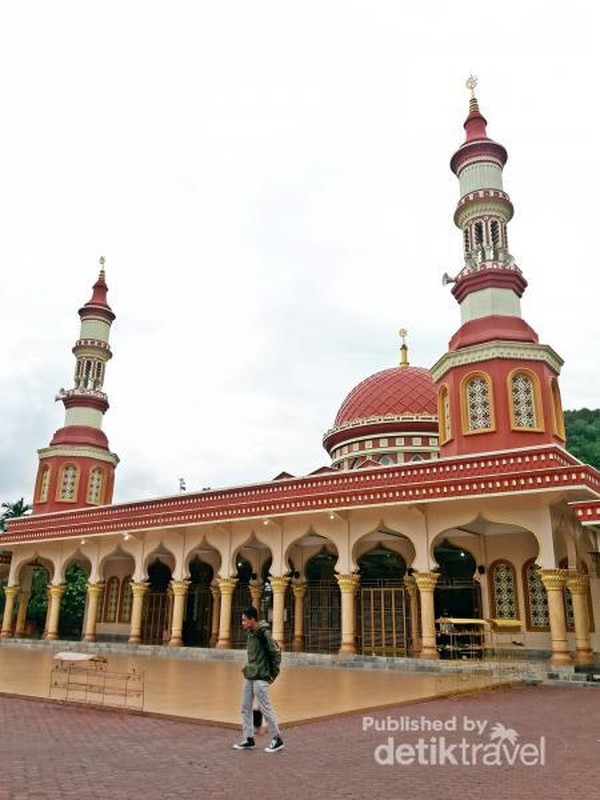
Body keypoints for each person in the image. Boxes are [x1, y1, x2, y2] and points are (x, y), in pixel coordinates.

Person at [232, 606, 284, 753]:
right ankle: (248, 738)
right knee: (245, 707)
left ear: (252, 619)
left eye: (244, 620)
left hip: (261, 676)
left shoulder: (263, 633)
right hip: (250, 675)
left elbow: (276, 653)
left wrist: (273, 674)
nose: (242, 623)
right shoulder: (250, 633)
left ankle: (277, 738)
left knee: (265, 707)